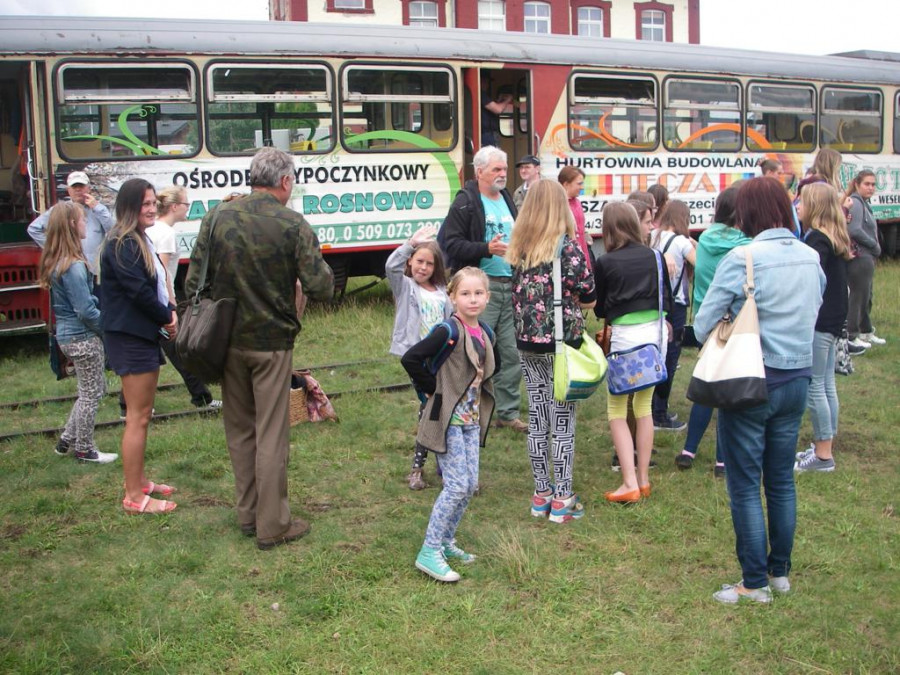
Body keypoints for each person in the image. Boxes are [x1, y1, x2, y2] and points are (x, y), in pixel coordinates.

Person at [185, 147, 334, 549]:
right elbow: (320, 287)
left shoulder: (217, 216)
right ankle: (273, 525)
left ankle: (248, 514)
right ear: (284, 181)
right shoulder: (292, 223)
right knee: (271, 433)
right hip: (271, 342)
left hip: (225, 340)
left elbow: (193, 282)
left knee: (240, 430)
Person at [694, 177, 824, 604]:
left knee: (745, 484)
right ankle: (778, 573)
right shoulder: (810, 256)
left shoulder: (742, 257)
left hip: (750, 380)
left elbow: (702, 324)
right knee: (781, 480)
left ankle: (753, 583)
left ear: (746, 214)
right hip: (798, 377)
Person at [507, 180, 596, 523]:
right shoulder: (567, 247)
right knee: (562, 420)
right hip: (560, 344)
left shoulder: (519, 247)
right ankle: (562, 498)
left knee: (537, 416)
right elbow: (589, 294)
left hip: (527, 342)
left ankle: (541, 493)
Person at [402, 267, 497, 582]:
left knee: (469, 485)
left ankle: (446, 541)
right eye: (465, 293)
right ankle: (429, 551)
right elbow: (411, 358)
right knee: (456, 486)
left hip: (471, 420)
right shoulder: (447, 331)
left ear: (487, 297)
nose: (473, 299)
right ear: (452, 297)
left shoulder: (485, 332)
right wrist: (433, 389)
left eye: (478, 293)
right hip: (449, 420)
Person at [101, 179, 179, 514]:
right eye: (145, 204)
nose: (151, 209)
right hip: (130, 336)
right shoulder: (123, 243)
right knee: (138, 417)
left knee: (142, 414)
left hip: (138, 335)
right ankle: (134, 497)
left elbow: (154, 285)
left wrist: (168, 310)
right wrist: (167, 317)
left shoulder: (137, 238)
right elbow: (139, 292)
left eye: (153, 203)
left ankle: (140, 481)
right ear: (129, 207)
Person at [438, 145, 525, 431]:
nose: (503, 174)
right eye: (496, 169)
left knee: (511, 353)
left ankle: (507, 413)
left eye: (504, 168)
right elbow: (451, 244)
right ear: (479, 172)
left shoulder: (507, 197)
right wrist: (486, 249)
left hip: (510, 286)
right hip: (479, 291)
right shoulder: (465, 202)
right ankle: (467, 412)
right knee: (474, 353)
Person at [594, 202, 671, 504]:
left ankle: (628, 483)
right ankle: (643, 479)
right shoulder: (656, 256)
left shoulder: (606, 262)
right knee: (644, 406)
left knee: (616, 408)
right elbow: (667, 298)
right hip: (654, 337)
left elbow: (600, 309)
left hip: (625, 339)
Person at [675, 185, 749, 476]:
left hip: (706, 321)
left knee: (706, 387)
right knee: (730, 393)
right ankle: (722, 460)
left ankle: (689, 449)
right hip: (737, 323)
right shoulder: (746, 244)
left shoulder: (705, 239)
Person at [39, 202, 114, 463]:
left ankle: (66, 441)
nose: (86, 225)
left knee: (90, 390)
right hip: (82, 337)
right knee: (91, 395)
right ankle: (84, 449)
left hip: (68, 335)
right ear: (72, 225)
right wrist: (107, 330)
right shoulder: (73, 265)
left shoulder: (58, 261)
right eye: (83, 220)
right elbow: (85, 310)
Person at [385, 224, 452, 490]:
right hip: (418, 360)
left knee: (441, 410)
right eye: (419, 261)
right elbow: (391, 266)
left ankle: (443, 466)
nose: (423, 267)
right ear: (410, 261)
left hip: (442, 359)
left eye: (429, 263)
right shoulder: (406, 287)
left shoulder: (443, 292)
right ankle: (417, 469)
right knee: (430, 410)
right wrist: (410, 244)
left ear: (436, 267)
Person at [144, 186, 222, 411]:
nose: (188, 208)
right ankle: (202, 398)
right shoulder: (166, 234)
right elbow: (161, 272)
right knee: (179, 352)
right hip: (161, 302)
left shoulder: (152, 229)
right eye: (186, 204)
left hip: (150, 301)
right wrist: (171, 304)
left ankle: (126, 405)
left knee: (149, 352)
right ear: (174, 207)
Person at [794, 183, 850, 473]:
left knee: (814, 385)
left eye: (802, 202)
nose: (797, 207)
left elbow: (811, 277)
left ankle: (823, 455)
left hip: (820, 319)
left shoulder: (816, 239)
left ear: (814, 207)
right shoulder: (834, 235)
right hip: (834, 318)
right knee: (827, 383)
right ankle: (824, 443)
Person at [650, 200, 695, 432]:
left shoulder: (653, 236)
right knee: (671, 357)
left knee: (656, 353)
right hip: (676, 304)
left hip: (656, 303)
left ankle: (650, 408)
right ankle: (660, 413)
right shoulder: (681, 242)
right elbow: (700, 264)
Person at [28, 170, 114, 276]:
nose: (78, 189)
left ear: (89, 188)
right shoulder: (60, 210)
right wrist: (55, 249)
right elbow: (34, 229)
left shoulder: (99, 209)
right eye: (74, 187)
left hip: (97, 272)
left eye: (81, 186)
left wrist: (97, 208)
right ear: (68, 190)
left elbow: (113, 231)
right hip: (71, 270)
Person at [844, 170, 885, 350]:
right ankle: (852, 334)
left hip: (867, 257)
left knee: (867, 295)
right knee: (858, 296)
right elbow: (854, 230)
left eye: (873, 184)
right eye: (867, 184)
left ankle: (866, 330)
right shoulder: (856, 203)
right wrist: (874, 245)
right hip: (860, 256)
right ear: (857, 184)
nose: (871, 188)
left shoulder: (864, 203)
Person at [558, 166, 592, 264]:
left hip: (582, 256)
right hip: (567, 259)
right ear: (566, 184)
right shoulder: (557, 205)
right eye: (579, 184)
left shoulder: (577, 202)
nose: (582, 187)